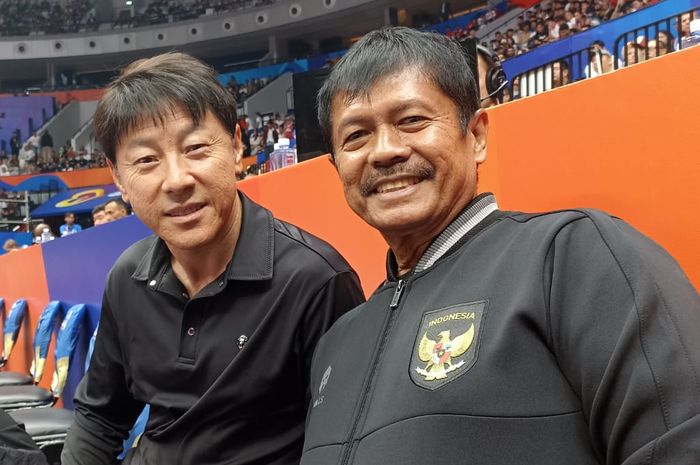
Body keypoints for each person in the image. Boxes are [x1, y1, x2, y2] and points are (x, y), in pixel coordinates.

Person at [300, 27, 700, 465]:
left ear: (476, 135)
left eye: (411, 120)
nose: (385, 151)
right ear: (336, 165)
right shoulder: (335, 344)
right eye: (356, 135)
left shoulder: (574, 257)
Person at [61, 52, 365, 465]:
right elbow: (101, 417)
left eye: (196, 148)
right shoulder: (127, 276)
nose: (177, 180)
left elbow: (341, 443)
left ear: (237, 146)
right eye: (147, 160)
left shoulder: (315, 280)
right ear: (118, 178)